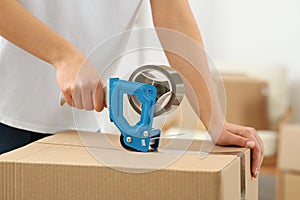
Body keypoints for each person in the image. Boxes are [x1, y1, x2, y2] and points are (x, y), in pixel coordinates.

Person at [0, 0, 263, 178]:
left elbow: (175, 16)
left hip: (80, 129)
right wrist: (63, 56)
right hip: (7, 114)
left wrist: (214, 119)